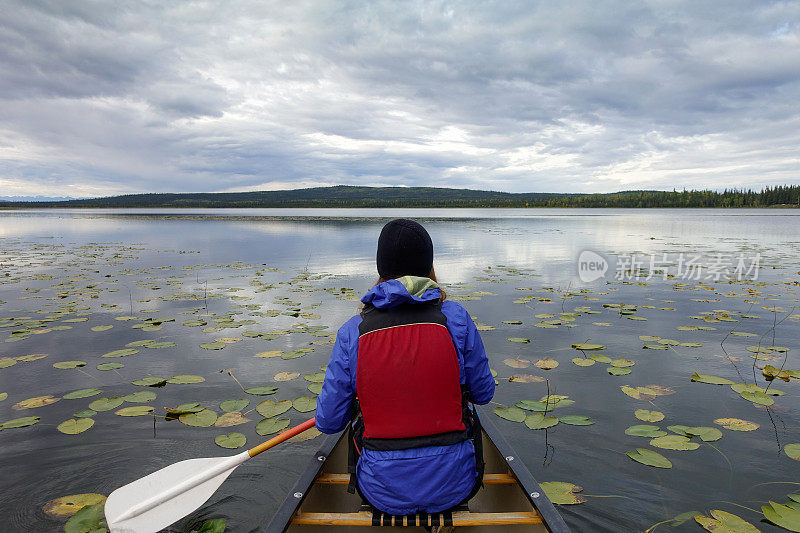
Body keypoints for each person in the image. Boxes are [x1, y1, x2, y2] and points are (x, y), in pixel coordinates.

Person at [315, 218, 495, 517]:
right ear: (429, 265)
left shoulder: (353, 331)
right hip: (457, 484)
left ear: (380, 268)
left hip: (380, 489)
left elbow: (329, 421)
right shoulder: (456, 318)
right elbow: (483, 393)